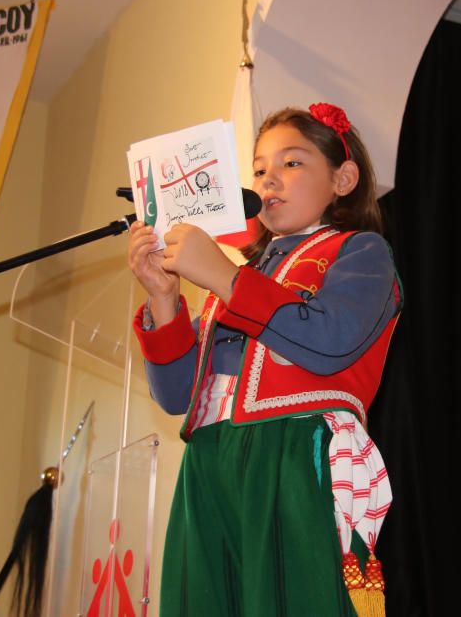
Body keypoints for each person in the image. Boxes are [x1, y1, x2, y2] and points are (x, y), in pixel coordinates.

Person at [128, 103, 402, 616]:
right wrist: (164, 297)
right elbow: (175, 395)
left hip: (295, 448)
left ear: (343, 178)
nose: (269, 178)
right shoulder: (241, 275)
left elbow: (331, 339)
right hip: (209, 456)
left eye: (292, 163)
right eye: (258, 169)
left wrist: (225, 278)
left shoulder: (359, 252)